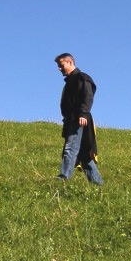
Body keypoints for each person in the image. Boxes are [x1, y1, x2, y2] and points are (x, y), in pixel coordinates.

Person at [55, 53, 103, 185]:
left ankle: (64, 177)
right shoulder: (71, 81)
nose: (59, 69)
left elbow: (87, 96)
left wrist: (83, 114)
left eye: (61, 65)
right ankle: (97, 183)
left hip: (79, 119)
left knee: (70, 148)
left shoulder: (82, 78)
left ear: (70, 62)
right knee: (83, 155)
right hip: (72, 119)